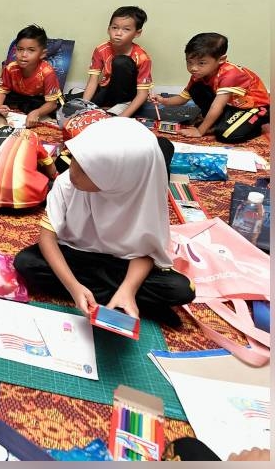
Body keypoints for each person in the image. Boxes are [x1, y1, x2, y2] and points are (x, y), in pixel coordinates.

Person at [14, 117, 195, 327]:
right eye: (74, 159)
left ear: (117, 178)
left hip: (122, 262)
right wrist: (73, 287)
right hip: (78, 256)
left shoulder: (144, 194)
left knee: (181, 289)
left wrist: (128, 289)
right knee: (26, 263)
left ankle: (121, 296)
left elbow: (147, 250)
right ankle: (119, 298)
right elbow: (47, 237)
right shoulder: (67, 183)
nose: (73, 172)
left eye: (87, 170)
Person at [152, 32, 270, 143]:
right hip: (231, 105)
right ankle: (219, 121)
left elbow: (217, 106)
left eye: (201, 63)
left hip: (253, 107)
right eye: (189, 62)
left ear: (221, 60)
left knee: (225, 134)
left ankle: (256, 126)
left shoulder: (230, 74)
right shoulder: (198, 75)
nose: (193, 68)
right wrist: (163, 100)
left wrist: (200, 131)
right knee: (196, 88)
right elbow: (182, 98)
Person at [0, 108, 58, 209]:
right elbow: (50, 166)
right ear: (9, 123)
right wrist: (53, 175)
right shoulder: (30, 134)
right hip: (33, 201)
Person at [81, 6, 153, 117]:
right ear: (108, 29)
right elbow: (93, 81)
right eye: (114, 27)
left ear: (137, 33)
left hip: (131, 95)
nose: (118, 33)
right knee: (83, 109)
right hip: (109, 88)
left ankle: (122, 107)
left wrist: (122, 117)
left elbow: (142, 94)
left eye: (126, 29)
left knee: (121, 62)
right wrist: (83, 105)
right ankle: (109, 107)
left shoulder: (142, 57)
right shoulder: (101, 50)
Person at [0, 25, 62, 127]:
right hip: (18, 95)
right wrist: (0, 107)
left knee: (53, 109)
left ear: (42, 54)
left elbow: (52, 103)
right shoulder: (10, 68)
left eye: (31, 50)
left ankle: (28, 108)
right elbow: (2, 91)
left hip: (37, 98)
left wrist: (37, 113)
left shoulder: (47, 73)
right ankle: (22, 106)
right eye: (20, 49)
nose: (24, 54)